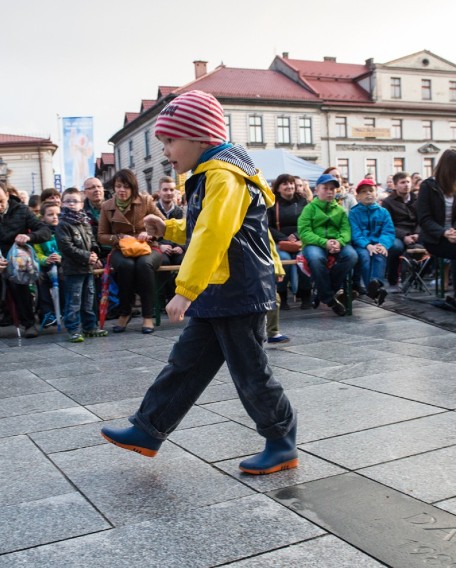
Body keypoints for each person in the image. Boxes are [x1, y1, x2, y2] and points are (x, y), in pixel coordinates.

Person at [101, 91, 296, 475]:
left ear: (201, 137)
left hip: (237, 290)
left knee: (250, 372)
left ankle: (281, 441)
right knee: (185, 364)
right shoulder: (212, 173)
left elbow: (213, 233)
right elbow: (204, 225)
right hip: (222, 287)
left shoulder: (222, 175)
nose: (166, 151)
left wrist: (184, 290)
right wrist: (169, 226)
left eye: (171, 140)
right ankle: (148, 429)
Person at [0, 181, 51, 341]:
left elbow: (45, 232)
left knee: (19, 278)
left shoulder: (22, 210)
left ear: (7, 196)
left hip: (18, 256)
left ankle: (29, 323)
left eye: (1, 201)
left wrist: (29, 236)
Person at [97, 169, 165, 334]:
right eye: (118, 186)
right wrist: (119, 237)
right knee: (126, 266)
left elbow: (163, 224)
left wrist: (149, 233)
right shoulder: (107, 206)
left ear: (133, 187)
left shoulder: (146, 201)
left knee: (144, 264)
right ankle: (125, 312)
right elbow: (101, 236)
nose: (121, 190)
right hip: (121, 248)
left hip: (148, 247)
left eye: (126, 187)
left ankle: (147, 315)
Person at [416, 149, 456, 311]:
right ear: (452, 166)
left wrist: (455, 230)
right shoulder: (428, 186)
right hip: (435, 239)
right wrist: (444, 232)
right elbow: (424, 219)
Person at [298, 173, 358, 316]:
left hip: (337, 242)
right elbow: (304, 232)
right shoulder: (309, 209)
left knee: (351, 256)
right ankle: (329, 299)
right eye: (325, 188)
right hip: (315, 243)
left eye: (332, 188)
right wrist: (324, 242)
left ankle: (322, 291)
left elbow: (346, 230)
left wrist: (339, 241)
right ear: (317, 190)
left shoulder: (340, 210)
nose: (330, 191)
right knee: (315, 258)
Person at [56, 187, 107, 342]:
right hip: (73, 270)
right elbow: (67, 247)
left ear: (81, 203)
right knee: (74, 300)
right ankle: (73, 329)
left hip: (88, 268)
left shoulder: (84, 222)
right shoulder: (63, 225)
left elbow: (92, 240)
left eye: (75, 201)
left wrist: (94, 253)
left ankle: (90, 327)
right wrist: (86, 256)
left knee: (88, 300)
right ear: (62, 204)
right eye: (68, 201)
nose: (71, 204)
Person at [268, 173, 312, 310]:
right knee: (284, 261)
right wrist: (284, 238)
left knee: (304, 259)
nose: (289, 186)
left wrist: (296, 235)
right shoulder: (272, 203)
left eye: (291, 183)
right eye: (285, 184)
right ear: (278, 188)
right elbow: (267, 226)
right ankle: (282, 295)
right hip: (280, 241)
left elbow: (309, 223)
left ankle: (305, 294)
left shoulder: (303, 202)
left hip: (300, 240)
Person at [348, 178, 395, 305]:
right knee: (364, 257)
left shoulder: (383, 212)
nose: (368, 193)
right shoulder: (353, 213)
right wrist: (367, 245)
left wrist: (383, 244)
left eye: (371, 190)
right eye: (363, 191)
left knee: (380, 255)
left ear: (376, 193)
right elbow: (355, 233)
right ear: (357, 196)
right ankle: (374, 290)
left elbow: (388, 231)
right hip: (361, 245)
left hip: (378, 243)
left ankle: (374, 285)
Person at [382, 172, 420, 292]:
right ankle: (393, 280)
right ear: (395, 185)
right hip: (397, 233)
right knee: (395, 247)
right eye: (402, 182)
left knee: (432, 243)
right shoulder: (388, 202)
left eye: (408, 182)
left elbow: (422, 220)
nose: (406, 185)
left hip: (416, 233)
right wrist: (404, 236)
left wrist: (417, 234)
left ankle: (414, 279)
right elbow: (388, 224)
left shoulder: (417, 199)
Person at [155, 176, 185, 304]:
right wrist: (159, 246)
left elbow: (185, 230)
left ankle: (177, 296)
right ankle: (163, 298)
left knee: (184, 260)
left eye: (171, 190)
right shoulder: (153, 209)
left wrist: (180, 246)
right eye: (165, 190)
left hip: (175, 247)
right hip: (159, 248)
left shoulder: (180, 211)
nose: (168, 193)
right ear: (159, 192)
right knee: (163, 262)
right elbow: (148, 233)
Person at [33, 201, 63, 328]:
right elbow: (36, 253)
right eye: (50, 214)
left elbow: (69, 248)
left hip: (63, 265)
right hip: (46, 266)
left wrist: (61, 257)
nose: (55, 217)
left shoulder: (64, 231)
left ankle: (64, 309)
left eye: (58, 214)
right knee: (41, 279)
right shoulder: (39, 234)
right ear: (43, 217)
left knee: (64, 278)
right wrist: (45, 259)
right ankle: (48, 313)